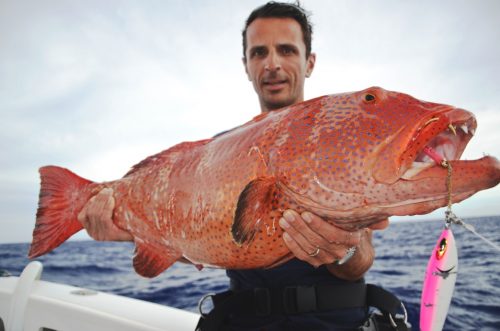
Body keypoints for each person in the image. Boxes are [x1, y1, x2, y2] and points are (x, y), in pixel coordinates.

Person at [78, 2, 407, 331]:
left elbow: (361, 257)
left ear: (309, 62)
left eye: (287, 50)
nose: (272, 64)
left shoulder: (335, 136)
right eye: (259, 53)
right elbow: (193, 242)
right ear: (246, 65)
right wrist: (127, 232)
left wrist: (345, 252)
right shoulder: (218, 151)